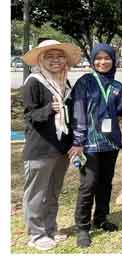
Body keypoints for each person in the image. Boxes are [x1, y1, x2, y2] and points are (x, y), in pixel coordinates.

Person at [71, 44, 122, 248]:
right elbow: (78, 111)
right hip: (88, 143)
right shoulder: (85, 82)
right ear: (92, 61)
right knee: (88, 184)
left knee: (106, 182)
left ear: (113, 61)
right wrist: (78, 141)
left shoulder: (116, 85)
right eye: (98, 58)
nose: (103, 62)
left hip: (110, 142)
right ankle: (82, 227)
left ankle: (101, 218)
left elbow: (118, 110)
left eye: (107, 58)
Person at [21, 39, 81, 251]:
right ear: (40, 60)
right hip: (40, 149)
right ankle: (36, 235)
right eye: (50, 56)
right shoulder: (34, 81)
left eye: (59, 56)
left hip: (61, 149)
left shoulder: (64, 82)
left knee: (53, 192)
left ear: (65, 60)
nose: (56, 60)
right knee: (36, 193)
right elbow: (29, 116)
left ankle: (51, 228)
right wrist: (49, 109)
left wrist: (75, 142)